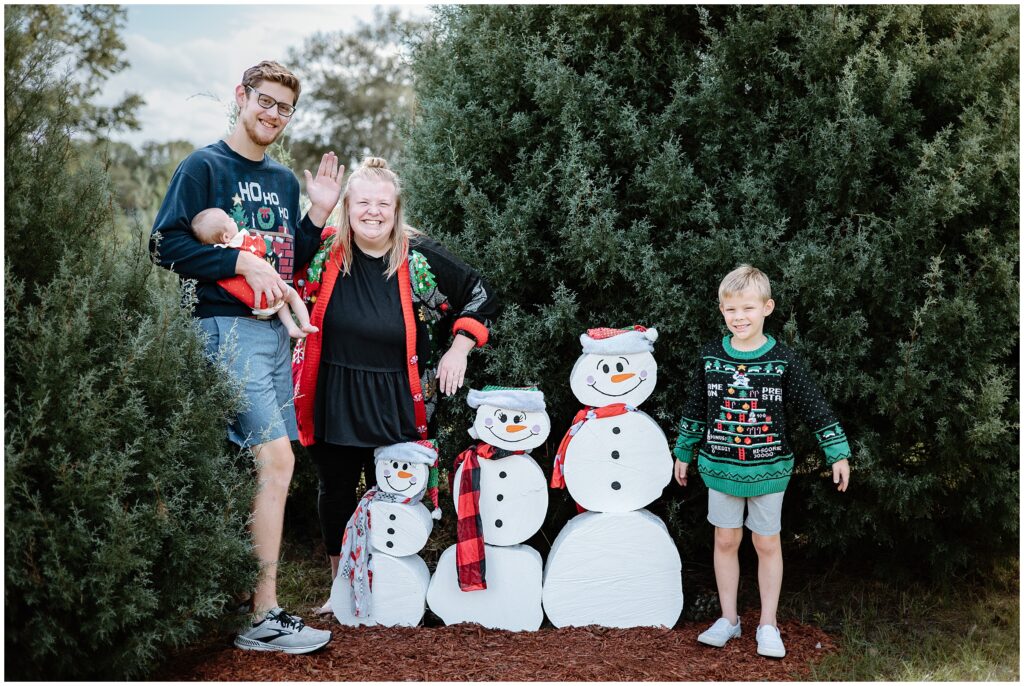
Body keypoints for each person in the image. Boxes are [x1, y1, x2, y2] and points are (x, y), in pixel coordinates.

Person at [151, 60, 342, 654]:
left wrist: (315, 213)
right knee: (277, 461)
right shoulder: (204, 166)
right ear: (241, 96)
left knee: (265, 469)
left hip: (273, 339)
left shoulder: (284, 180)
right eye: (264, 101)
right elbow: (164, 242)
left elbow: (291, 258)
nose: (272, 115)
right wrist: (236, 262)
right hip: (224, 330)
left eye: (284, 108)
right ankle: (262, 615)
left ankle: (240, 597)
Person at [289, 156, 499, 615]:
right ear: (348, 205)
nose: (373, 212)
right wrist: (317, 211)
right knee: (337, 490)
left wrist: (459, 348)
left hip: (397, 394)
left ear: (397, 208)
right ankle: (341, 588)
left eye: (383, 203)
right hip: (334, 391)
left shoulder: (416, 253)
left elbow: (480, 290)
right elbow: (286, 262)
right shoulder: (324, 249)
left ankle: (398, 588)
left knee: (399, 494)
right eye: (362, 201)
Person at [672, 264, 851, 659]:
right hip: (719, 466)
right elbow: (695, 408)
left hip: (769, 470)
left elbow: (813, 406)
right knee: (725, 539)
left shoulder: (783, 360)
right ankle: (729, 619)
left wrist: (836, 452)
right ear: (722, 311)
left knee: (766, 542)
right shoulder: (710, 357)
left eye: (748, 309)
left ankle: (768, 624)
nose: (740, 318)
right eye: (731, 310)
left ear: (767, 308)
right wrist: (683, 451)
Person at [191, 207, 318, 339]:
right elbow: (261, 247)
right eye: (229, 220)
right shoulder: (239, 243)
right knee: (291, 296)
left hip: (254, 302)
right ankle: (305, 324)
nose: (232, 219)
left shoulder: (217, 256)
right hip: (264, 291)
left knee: (281, 303)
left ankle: (292, 329)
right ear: (226, 236)